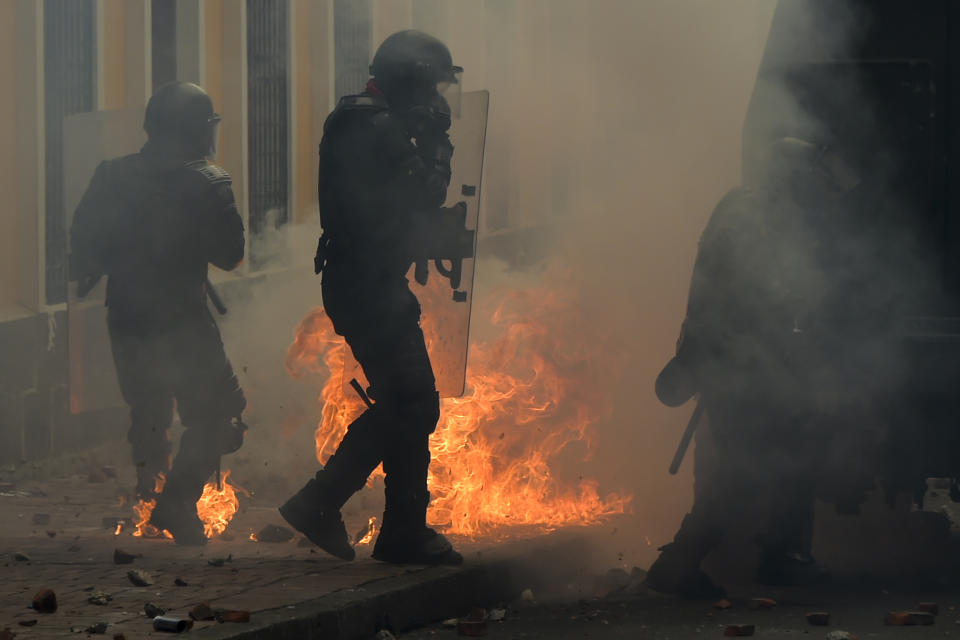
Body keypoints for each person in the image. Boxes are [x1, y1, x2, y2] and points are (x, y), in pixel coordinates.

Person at [279, 30, 468, 565]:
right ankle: (324, 501)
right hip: (366, 284)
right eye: (432, 86)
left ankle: (402, 531)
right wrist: (437, 143)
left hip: (368, 279)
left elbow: (396, 212)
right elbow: (420, 196)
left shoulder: (366, 121)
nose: (437, 98)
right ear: (413, 82)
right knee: (414, 400)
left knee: (408, 402)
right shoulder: (374, 126)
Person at [646, 138, 863, 597]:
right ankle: (683, 564)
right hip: (741, 364)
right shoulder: (764, 219)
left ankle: (776, 555)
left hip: (734, 360)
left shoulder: (744, 207)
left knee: (780, 456)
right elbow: (769, 299)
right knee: (749, 468)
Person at [69, 82, 247, 546]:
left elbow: (81, 252)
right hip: (183, 320)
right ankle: (176, 505)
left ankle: (148, 498)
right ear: (197, 132)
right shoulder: (208, 182)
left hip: (126, 315)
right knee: (218, 415)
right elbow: (232, 254)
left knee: (148, 411)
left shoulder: (111, 176)